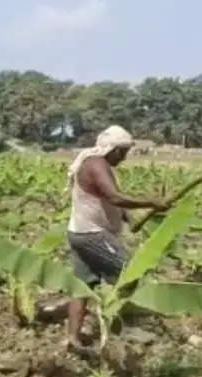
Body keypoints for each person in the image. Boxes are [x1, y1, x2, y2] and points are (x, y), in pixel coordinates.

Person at [65, 125, 167, 354]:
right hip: (92, 234)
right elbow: (113, 196)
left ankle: (73, 337)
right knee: (128, 273)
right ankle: (122, 328)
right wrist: (151, 202)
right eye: (123, 152)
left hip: (79, 232)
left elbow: (107, 200)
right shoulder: (97, 164)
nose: (124, 157)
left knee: (82, 286)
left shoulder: (93, 162)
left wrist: (128, 218)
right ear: (114, 150)